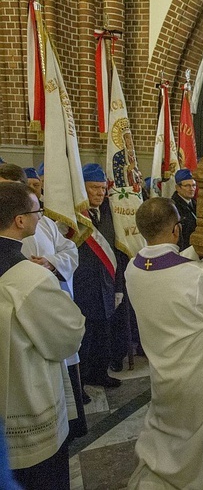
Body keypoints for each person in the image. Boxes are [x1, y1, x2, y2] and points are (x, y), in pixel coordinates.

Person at [126, 197, 203, 489]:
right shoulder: (192, 275)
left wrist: (196, 255)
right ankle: (191, 475)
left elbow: (169, 270)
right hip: (195, 362)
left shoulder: (133, 268)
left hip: (161, 359)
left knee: (169, 419)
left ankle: (165, 462)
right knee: (198, 424)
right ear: (177, 229)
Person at [0, 182, 85, 489]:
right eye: (36, 210)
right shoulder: (29, 278)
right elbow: (69, 336)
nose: (41, 215)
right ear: (19, 220)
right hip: (26, 408)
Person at [74, 163, 124, 389]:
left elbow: (117, 254)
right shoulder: (73, 218)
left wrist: (118, 287)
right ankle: (81, 381)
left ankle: (99, 373)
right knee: (84, 338)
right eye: (94, 188)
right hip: (82, 287)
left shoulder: (109, 215)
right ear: (82, 189)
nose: (100, 193)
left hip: (105, 285)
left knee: (103, 335)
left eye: (103, 189)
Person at [171, 168, 197, 250]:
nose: (191, 188)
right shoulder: (172, 207)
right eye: (187, 186)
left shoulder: (196, 203)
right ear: (178, 188)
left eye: (193, 185)